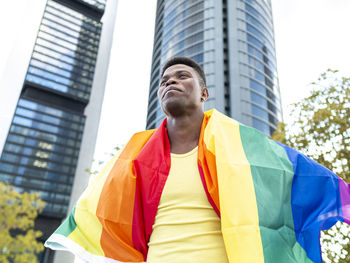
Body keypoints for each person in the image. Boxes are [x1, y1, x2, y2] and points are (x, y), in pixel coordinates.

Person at [45, 57, 350, 263]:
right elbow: (95, 213)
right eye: (164, 80)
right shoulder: (134, 158)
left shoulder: (243, 148)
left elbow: (304, 178)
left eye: (182, 76)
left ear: (203, 92)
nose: (170, 82)